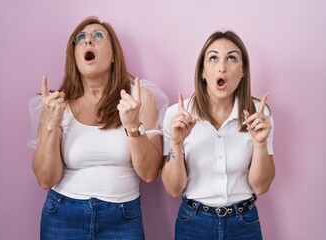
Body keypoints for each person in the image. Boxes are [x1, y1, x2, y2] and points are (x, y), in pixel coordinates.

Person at [27, 16, 168, 240]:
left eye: (97, 36)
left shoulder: (138, 98)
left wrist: (133, 127)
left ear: (114, 56)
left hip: (123, 220)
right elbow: (45, 179)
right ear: (74, 56)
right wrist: (51, 126)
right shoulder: (56, 105)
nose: (88, 41)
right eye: (80, 38)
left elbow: (150, 173)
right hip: (62, 217)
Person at [161, 30, 275, 240]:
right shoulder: (176, 115)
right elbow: (173, 188)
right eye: (213, 58)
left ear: (243, 71)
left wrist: (260, 144)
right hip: (193, 223)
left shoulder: (259, 114)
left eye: (232, 58)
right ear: (203, 72)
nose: (222, 67)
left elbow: (261, 186)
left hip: (244, 224)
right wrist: (176, 143)